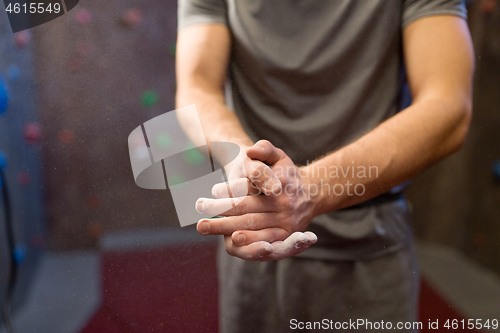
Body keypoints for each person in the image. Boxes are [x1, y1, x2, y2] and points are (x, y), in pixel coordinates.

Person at [175, 0, 474, 332]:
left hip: (370, 247)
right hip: (256, 238)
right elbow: (196, 86)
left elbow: (449, 106)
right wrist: (241, 158)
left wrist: (308, 189)